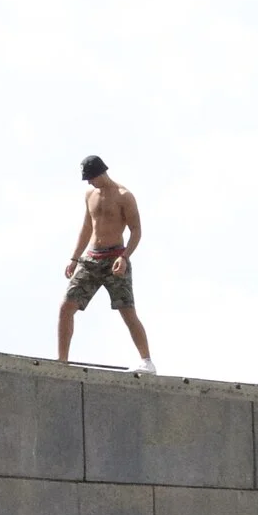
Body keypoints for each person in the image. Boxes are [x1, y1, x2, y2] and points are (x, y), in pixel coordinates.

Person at [59, 155, 154, 374]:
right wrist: (74, 258)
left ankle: (147, 361)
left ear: (102, 173)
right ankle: (62, 362)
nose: (90, 182)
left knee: (126, 310)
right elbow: (86, 227)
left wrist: (125, 257)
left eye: (91, 178)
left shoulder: (124, 196)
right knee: (66, 307)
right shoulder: (90, 195)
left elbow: (136, 230)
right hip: (92, 258)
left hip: (115, 258)